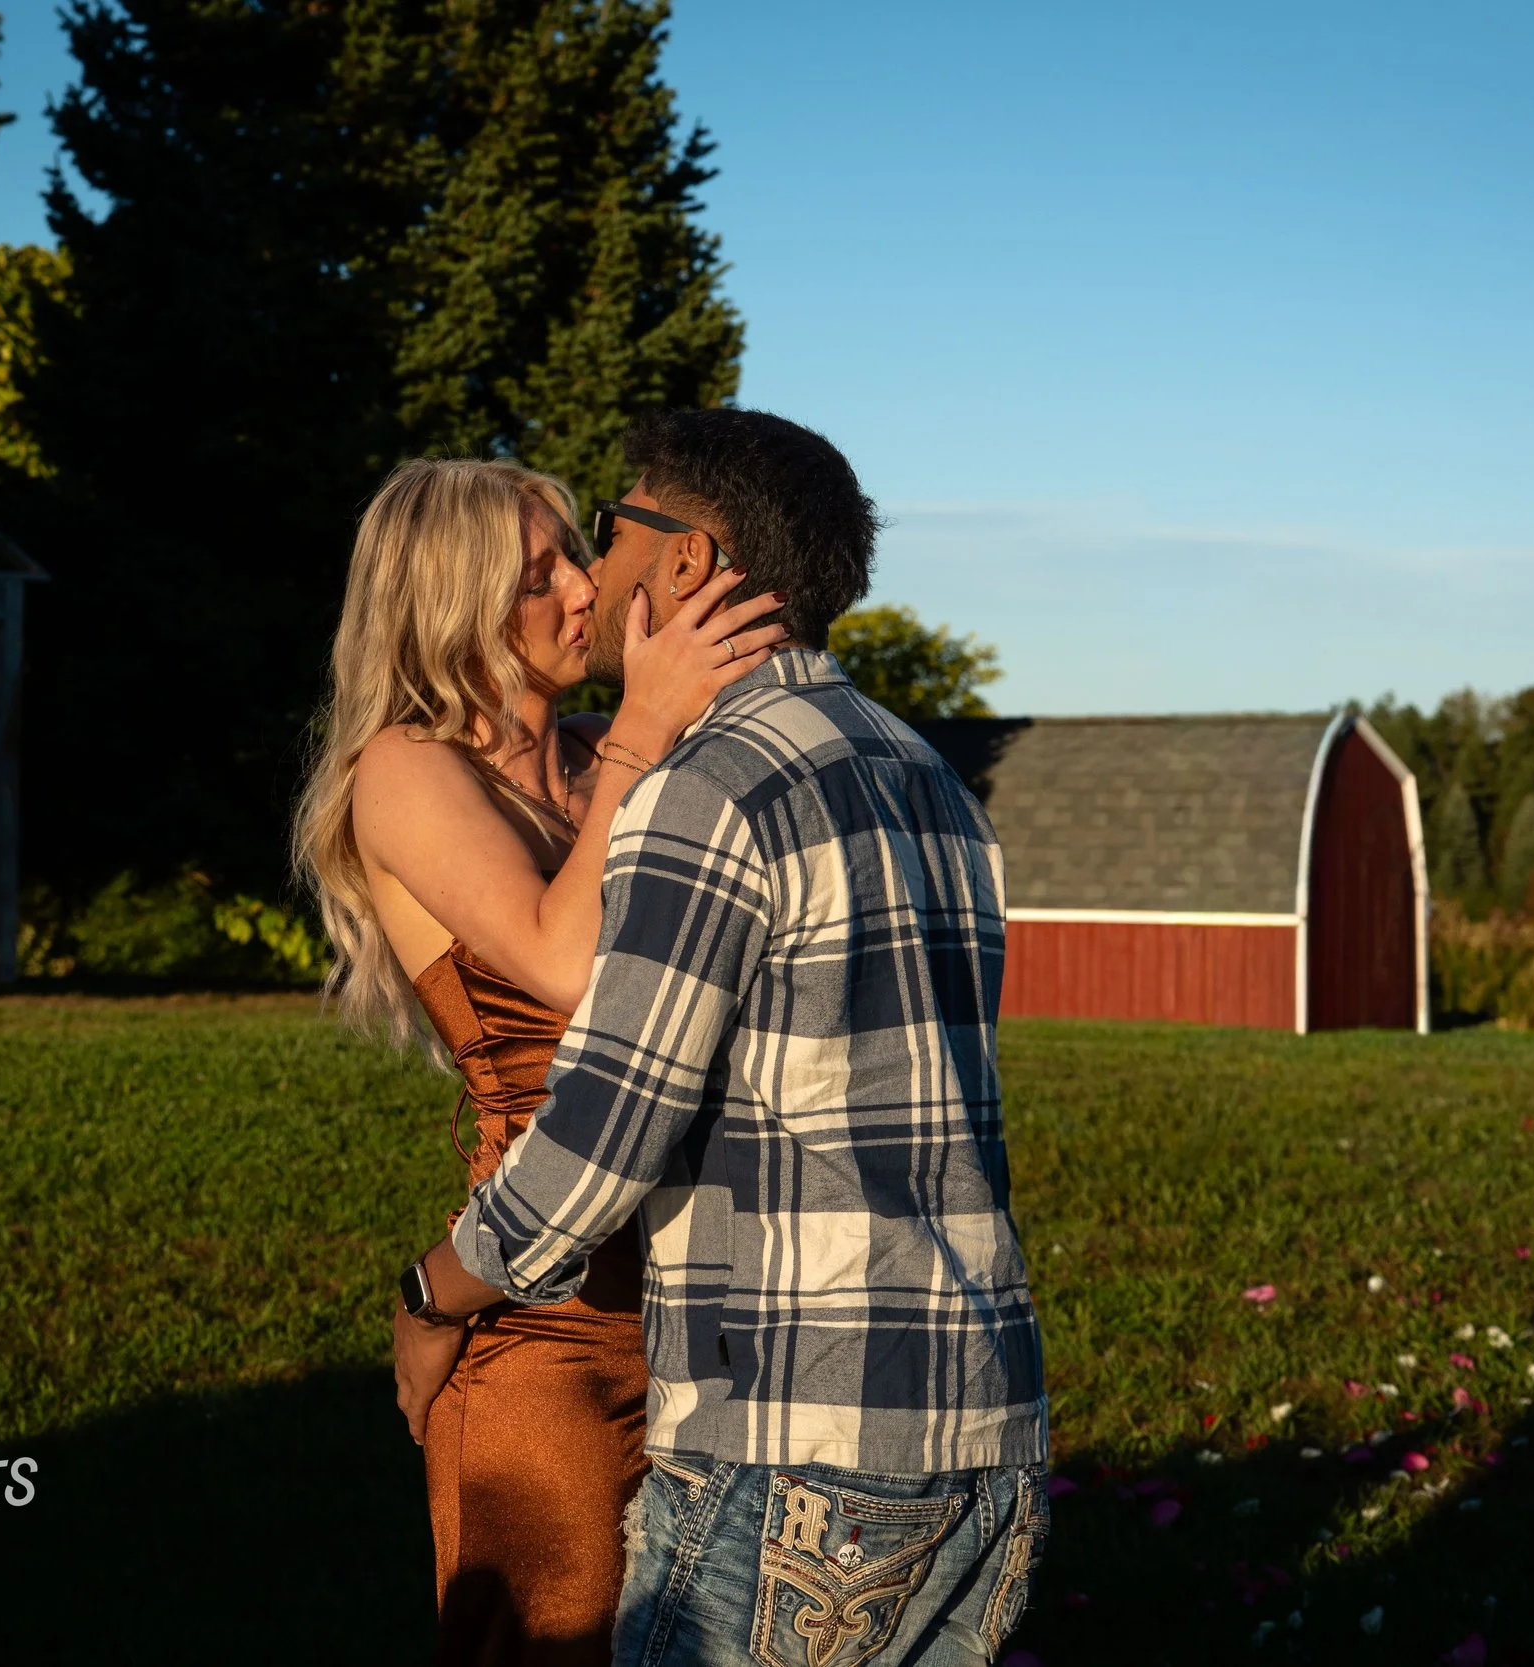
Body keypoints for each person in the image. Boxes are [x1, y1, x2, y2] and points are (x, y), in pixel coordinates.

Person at [391, 410, 1051, 1667]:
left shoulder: (710, 784)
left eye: (616, 529)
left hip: (805, 1435)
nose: (595, 573)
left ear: (687, 560)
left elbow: (601, 1137)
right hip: (989, 1426)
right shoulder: (926, 777)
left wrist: (431, 1295)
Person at [293, 456, 789, 1665]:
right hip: (542, 1325)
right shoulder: (407, 770)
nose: (586, 589)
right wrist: (641, 728)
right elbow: (569, 971)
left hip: (705, 1298)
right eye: (540, 573)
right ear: (456, 608)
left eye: (579, 552)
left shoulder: (592, 758)